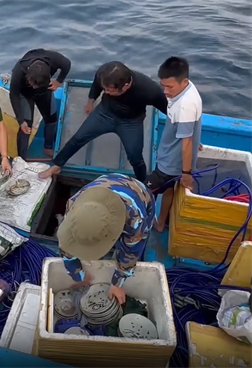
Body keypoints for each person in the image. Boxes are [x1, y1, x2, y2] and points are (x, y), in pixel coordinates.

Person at [39, 61, 168, 183]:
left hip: (131, 122)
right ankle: (57, 165)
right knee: (78, 138)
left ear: (126, 86)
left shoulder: (149, 90)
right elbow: (96, 84)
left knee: (135, 157)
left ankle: (142, 183)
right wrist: (91, 101)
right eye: (105, 89)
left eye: (110, 90)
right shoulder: (104, 73)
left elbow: (167, 108)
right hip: (105, 113)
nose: (106, 92)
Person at [58, 173, 156, 304]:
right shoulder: (74, 204)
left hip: (140, 194)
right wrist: (77, 275)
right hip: (104, 183)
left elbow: (130, 253)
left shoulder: (135, 220)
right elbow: (66, 243)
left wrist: (117, 284)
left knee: (133, 246)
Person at [145, 57, 202, 232]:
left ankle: (140, 225)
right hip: (169, 156)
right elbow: (190, 128)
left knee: (143, 191)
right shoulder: (188, 88)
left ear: (184, 81)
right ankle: (161, 222)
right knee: (169, 190)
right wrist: (196, 139)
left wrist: (186, 174)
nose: (165, 91)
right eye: (163, 86)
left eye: (169, 87)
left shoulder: (185, 104)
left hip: (170, 165)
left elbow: (186, 144)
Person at [9, 49, 72, 159]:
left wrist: (58, 81)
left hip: (44, 92)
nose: (34, 87)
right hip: (26, 95)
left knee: (52, 120)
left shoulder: (53, 59)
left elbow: (67, 64)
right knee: (25, 127)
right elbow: (14, 95)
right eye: (32, 84)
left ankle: (48, 148)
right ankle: (21, 160)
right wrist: (21, 120)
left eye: (36, 85)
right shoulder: (19, 70)